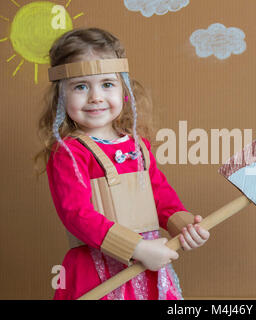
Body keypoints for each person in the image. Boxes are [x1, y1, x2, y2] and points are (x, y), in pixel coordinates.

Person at [33, 28, 209, 300]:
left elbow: (160, 197)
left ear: (124, 89)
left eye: (107, 84)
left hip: (146, 263)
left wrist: (184, 226)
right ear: (61, 96)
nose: (96, 97)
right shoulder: (69, 152)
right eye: (81, 86)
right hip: (97, 267)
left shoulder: (138, 146)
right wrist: (136, 248)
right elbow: (76, 214)